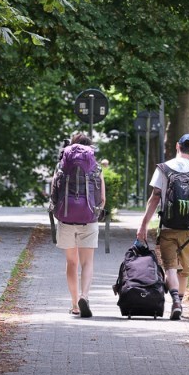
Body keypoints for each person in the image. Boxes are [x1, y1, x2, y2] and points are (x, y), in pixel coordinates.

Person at [136, 133, 189, 320]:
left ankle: (175, 302)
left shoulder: (163, 169)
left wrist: (143, 225)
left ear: (177, 146)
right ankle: (179, 301)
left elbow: (154, 198)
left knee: (170, 267)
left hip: (168, 226)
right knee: (184, 270)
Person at [50, 132, 105, 317]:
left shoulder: (61, 165)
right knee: (87, 262)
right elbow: (102, 198)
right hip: (88, 218)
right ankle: (85, 295)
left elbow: (53, 194)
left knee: (71, 262)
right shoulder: (95, 167)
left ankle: (74, 304)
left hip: (66, 218)